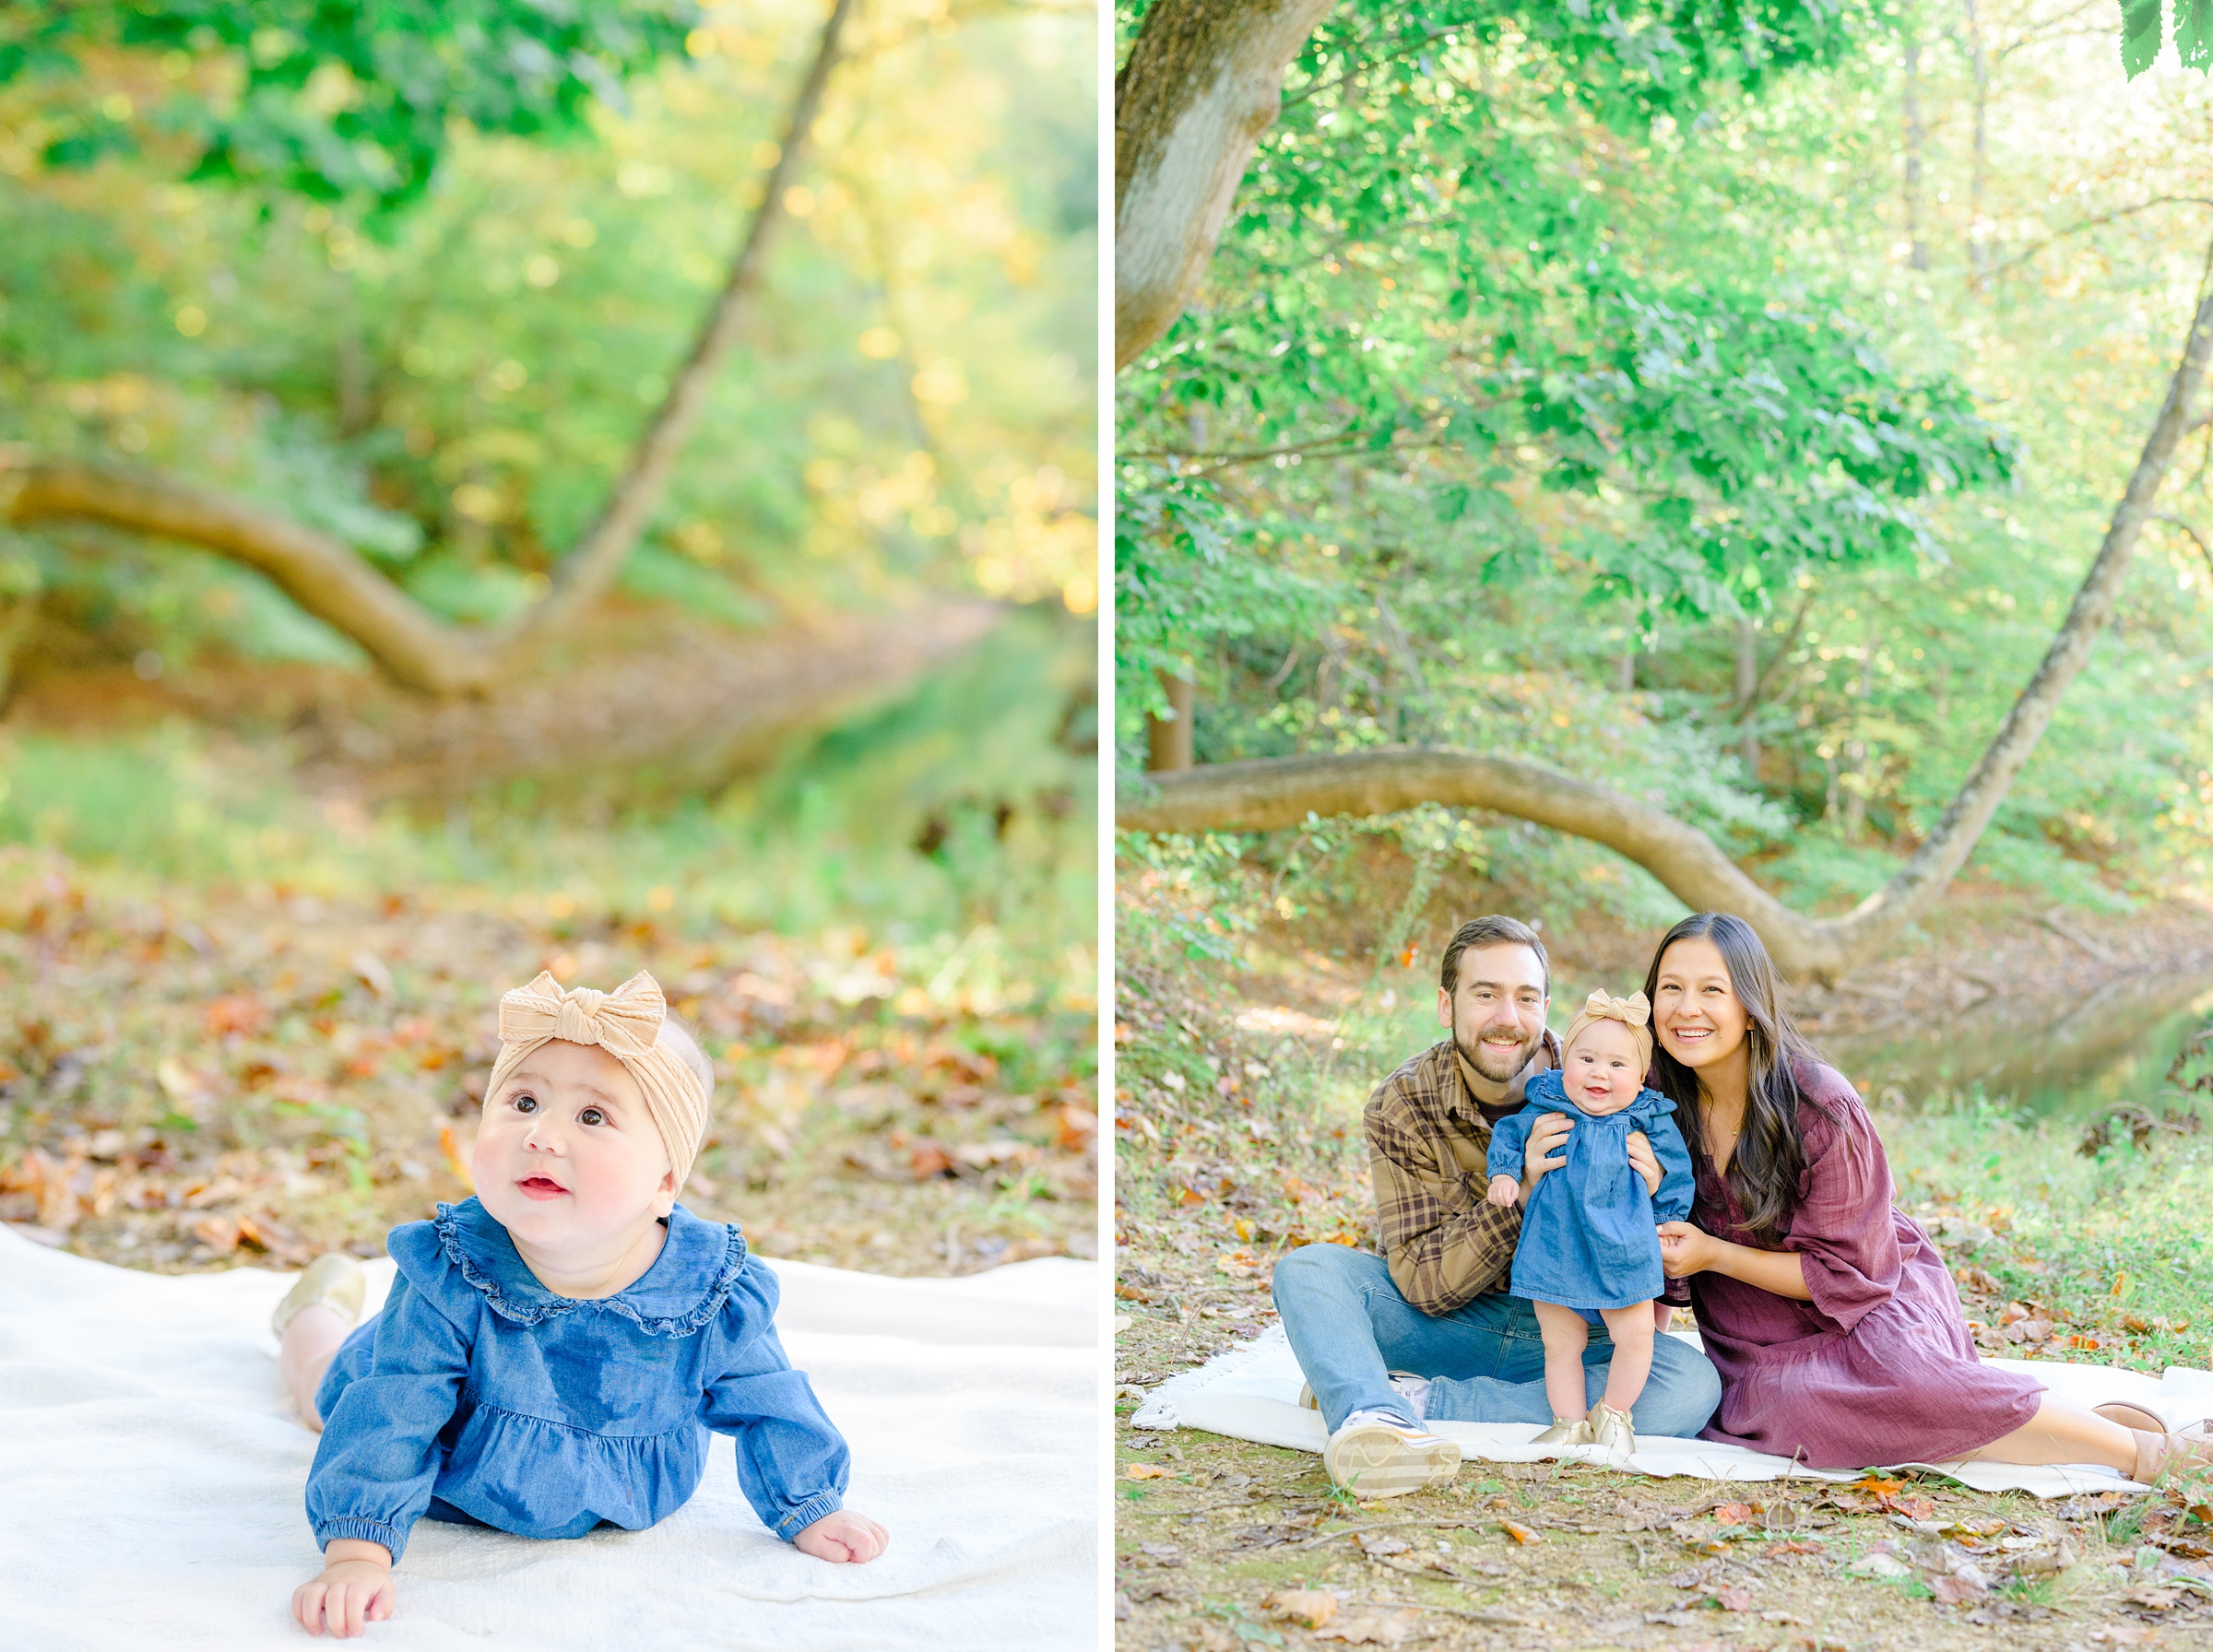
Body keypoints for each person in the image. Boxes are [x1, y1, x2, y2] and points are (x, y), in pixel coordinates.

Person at [273, 970, 889, 1640]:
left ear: (663, 1181)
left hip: (632, 1488)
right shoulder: (450, 1275)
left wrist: (811, 1506)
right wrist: (358, 1551)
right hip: (460, 1468)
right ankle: (314, 1316)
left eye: (592, 1116)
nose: (542, 1135)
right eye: (524, 1102)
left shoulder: (705, 1289)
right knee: (322, 1396)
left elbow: (771, 1401)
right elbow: (393, 1408)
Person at [1648, 911, 2209, 1483]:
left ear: (1750, 1007)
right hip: (1757, 1341)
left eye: (1711, 990)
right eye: (1671, 988)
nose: (1687, 1009)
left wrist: (1713, 1255)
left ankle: (2140, 1453)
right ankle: (2075, 1427)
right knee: (1799, 1407)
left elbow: (1849, 1276)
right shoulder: (1651, 1101)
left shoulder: (1820, 1106)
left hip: (1869, 1303)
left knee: (1905, 1381)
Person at [1272, 915, 1722, 1498]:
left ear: (1546, 1007)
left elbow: (1671, 1238)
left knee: (1688, 1384)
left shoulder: (1616, 1074)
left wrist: (1652, 1190)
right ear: (1445, 1004)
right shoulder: (1402, 1104)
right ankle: (1370, 1417)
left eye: (1526, 998)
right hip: (1451, 1325)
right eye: (1485, 995)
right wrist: (1524, 1194)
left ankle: (1406, 1400)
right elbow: (1421, 1284)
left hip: (1582, 1322)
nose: (1508, 1019)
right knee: (1308, 1273)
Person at [1485, 989, 1693, 1464]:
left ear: (1640, 1079)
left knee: (1636, 1335)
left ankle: (1615, 1413)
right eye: (1587, 1058)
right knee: (1561, 1342)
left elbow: (1678, 1173)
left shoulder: (1647, 1118)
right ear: (1564, 1064)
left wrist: (1665, 1218)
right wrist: (1503, 1172)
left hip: (1623, 1248)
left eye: (1618, 1065)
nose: (1600, 1073)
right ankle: (1569, 1423)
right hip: (1555, 1245)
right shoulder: (1550, 1104)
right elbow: (1510, 1135)